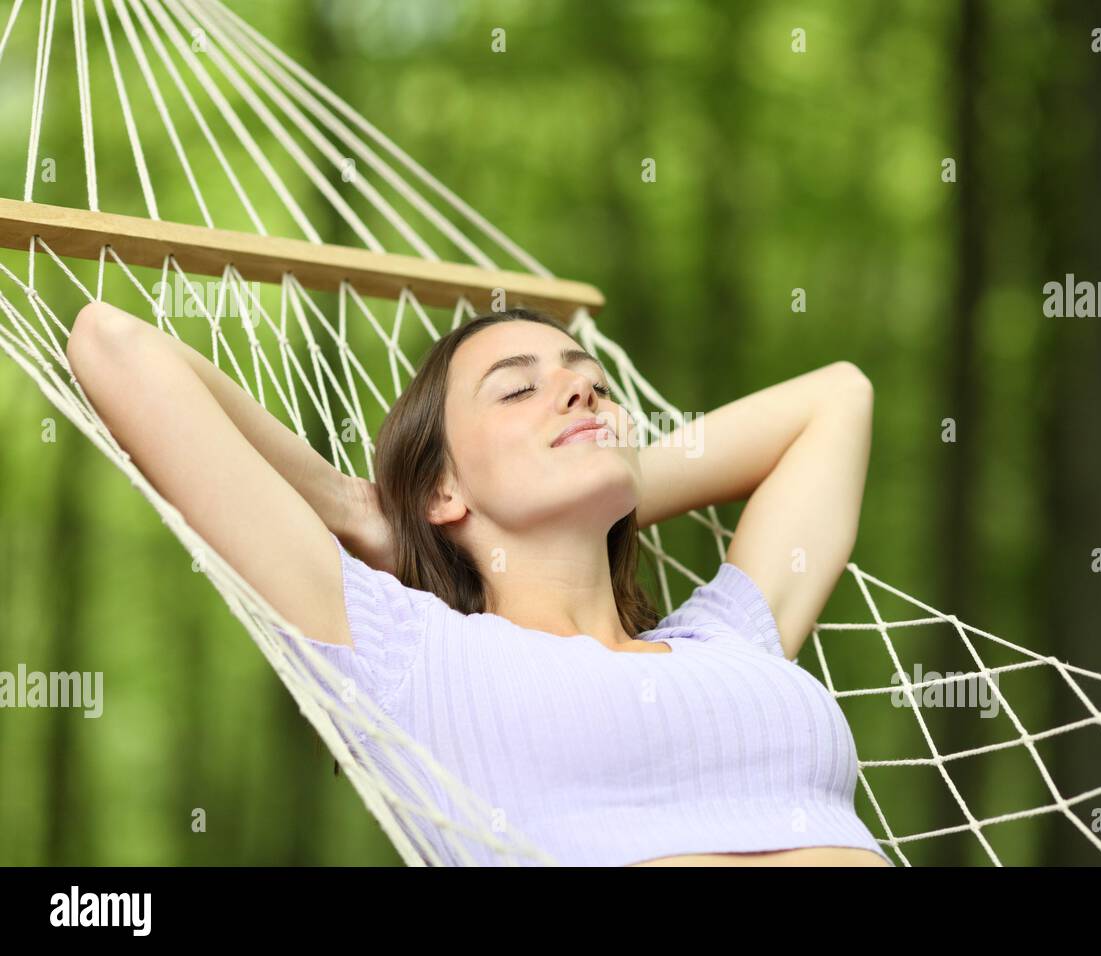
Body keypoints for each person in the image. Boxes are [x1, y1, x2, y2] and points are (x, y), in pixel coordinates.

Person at [67, 301, 889, 866]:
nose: (582, 389)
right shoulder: (408, 653)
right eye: (520, 389)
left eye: (592, 382)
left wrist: (617, 469)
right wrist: (363, 508)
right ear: (442, 491)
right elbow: (114, 344)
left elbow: (841, 398)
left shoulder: (731, 638)